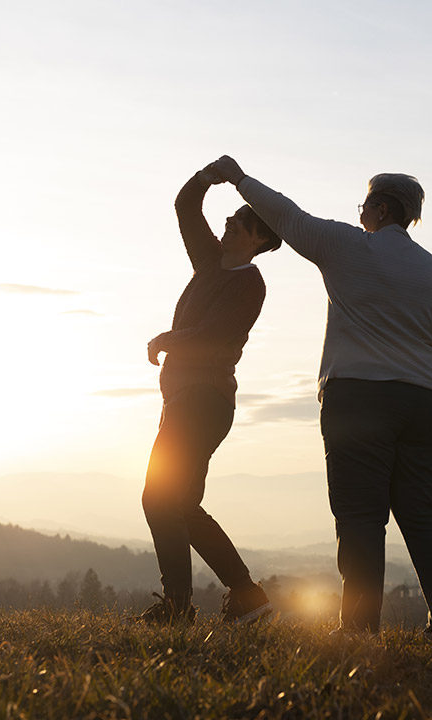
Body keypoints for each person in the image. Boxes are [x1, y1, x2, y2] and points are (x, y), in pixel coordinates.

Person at [209, 155, 432, 634]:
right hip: (429, 402)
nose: (359, 214)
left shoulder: (348, 246)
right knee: (425, 512)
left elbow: (287, 217)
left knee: (360, 514)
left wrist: (239, 178)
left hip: (359, 396)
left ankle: (358, 627)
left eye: (364, 205)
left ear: (380, 209)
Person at [137, 166, 281, 625]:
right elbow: (185, 206)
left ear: (259, 239)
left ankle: (178, 609)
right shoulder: (208, 263)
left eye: (243, 221)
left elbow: (212, 337)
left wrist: (166, 339)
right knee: (180, 504)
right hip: (183, 399)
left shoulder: (249, 284)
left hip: (204, 400)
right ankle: (248, 596)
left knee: (159, 498)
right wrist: (207, 176)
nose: (232, 221)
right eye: (234, 215)